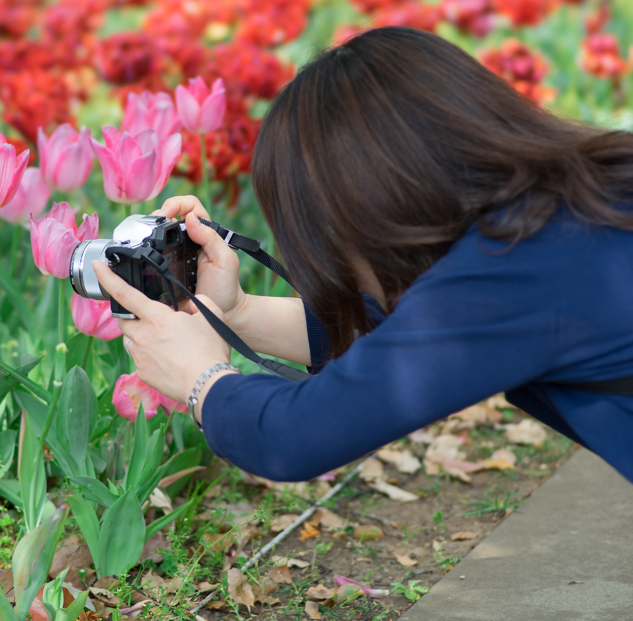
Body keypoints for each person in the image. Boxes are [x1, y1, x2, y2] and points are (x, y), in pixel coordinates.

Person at [91, 26, 633, 484]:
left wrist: (200, 380)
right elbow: (410, 332)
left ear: (367, 205)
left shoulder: (511, 272)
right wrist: (235, 315)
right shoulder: (565, 212)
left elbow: (296, 436)